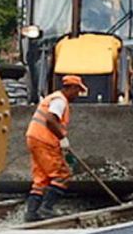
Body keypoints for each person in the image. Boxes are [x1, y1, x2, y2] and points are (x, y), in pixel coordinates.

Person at [24, 75, 89, 221]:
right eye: (77, 91)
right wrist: (62, 138)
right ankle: (46, 209)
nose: (77, 95)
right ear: (71, 88)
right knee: (62, 175)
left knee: (41, 178)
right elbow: (51, 120)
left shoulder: (52, 98)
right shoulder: (59, 101)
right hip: (45, 140)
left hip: (34, 138)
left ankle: (32, 213)